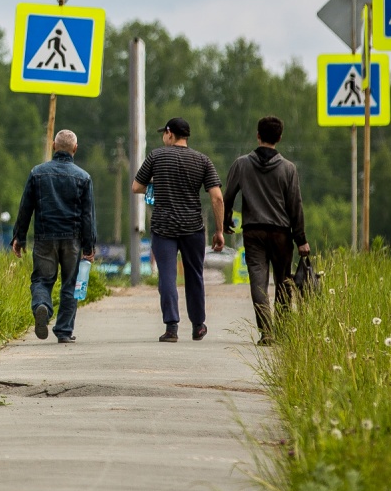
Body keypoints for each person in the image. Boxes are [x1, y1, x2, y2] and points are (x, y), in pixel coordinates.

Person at [132, 117, 223, 342]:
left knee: (167, 276)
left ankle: (171, 328)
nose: (163, 137)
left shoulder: (157, 156)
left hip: (164, 227)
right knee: (195, 276)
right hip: (193, 227)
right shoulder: (202, 160)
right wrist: (219, 230)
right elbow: (217, 198)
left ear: (170, 134)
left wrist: (156, 184)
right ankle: (198, 325)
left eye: (164, 133)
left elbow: (136, 186)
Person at [221, 115, 310, 345]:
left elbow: (227, 196)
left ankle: (266, 333)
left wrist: (225, 221)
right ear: (280, 138)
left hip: (253, 233)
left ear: (257, 135)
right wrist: (300, 239)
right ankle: (283, 330)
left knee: (258, 281)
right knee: (283, 281)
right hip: (281, 234)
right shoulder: (288, 169)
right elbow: (295, 205)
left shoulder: (241, 164)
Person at [11, 128, 98, 344]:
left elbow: (25, 208)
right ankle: (64, 331)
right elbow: (88, 216)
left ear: (53, 146)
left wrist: (18, 238)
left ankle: (42, 306)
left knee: (42, 279)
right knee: (70, 284)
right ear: (75, 149)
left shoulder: (37, 173)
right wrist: (89, 246)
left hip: (45, 237)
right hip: (72, 239)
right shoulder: (84, 178)